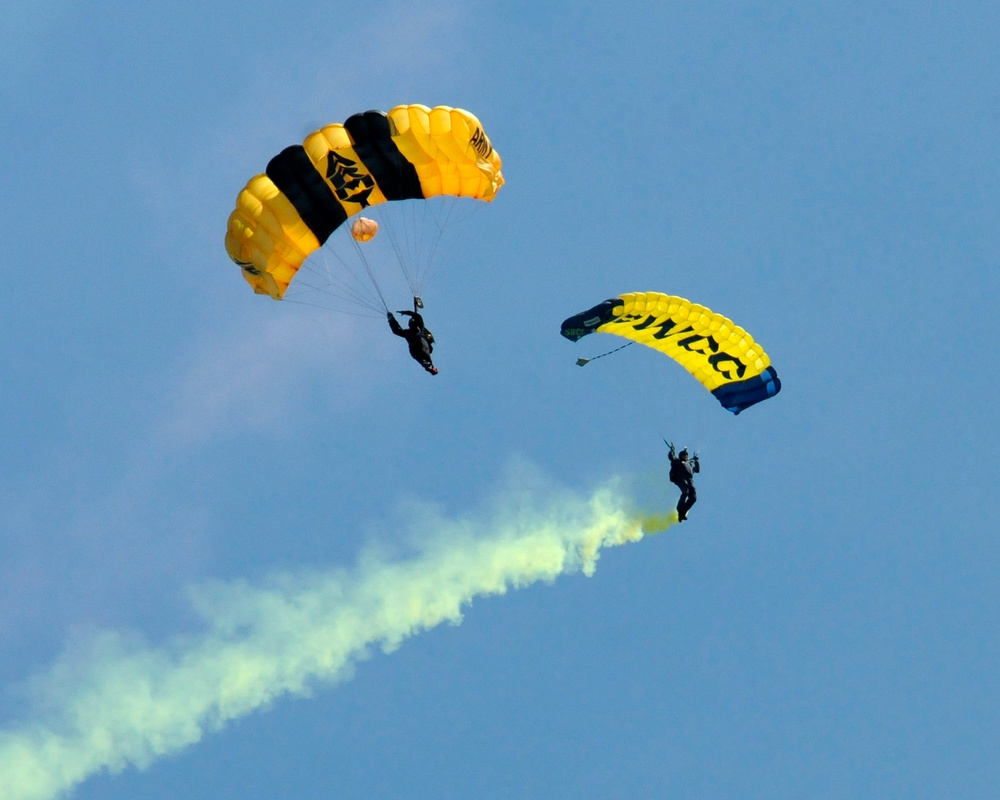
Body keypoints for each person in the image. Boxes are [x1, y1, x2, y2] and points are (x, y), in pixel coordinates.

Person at [387, 296, 437, 375]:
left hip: (419, 346)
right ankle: (429, 367)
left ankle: (429, 367)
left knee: (424, 359)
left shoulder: (420, 328)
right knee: (423, 358)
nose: (412, 324)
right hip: (417, 347)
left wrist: (392, 318)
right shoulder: (411, 331)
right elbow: (397, 330)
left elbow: (417, 317)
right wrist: (391, 318)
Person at [667, 442, 700, 521]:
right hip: (680, 479)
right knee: (685, 492)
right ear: (681, 456)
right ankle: (679, 509)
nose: (685, 456)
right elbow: (671, 456)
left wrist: (696, 461)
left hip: (689, 481)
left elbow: (697, 470)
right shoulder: (677, 462)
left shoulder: (690, 465)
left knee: (693, 498)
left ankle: (683, 512)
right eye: (684, 455)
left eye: (686, 455)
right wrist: (672, 450)